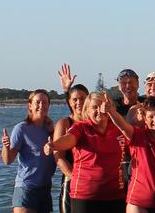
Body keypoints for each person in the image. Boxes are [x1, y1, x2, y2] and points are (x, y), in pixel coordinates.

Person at [45, 91, 127, 213]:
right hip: (85, 195)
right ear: (87, 111)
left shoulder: (118, 129)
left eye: (103, 106)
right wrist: (54, 145)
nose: (99, 110)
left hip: (115, 195)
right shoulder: (81, 127)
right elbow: (69, 139)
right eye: (94, 107)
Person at [104, 95, 155, 213]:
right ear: (145, 119)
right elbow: (122, 125)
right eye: (151, 117)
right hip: (139, 203)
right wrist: (111, 112)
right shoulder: (137, 136)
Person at [1, 89, 56, 213]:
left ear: (49, 105)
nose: (41, 105)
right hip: (26, 189)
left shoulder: (50, 129)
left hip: (46, 190)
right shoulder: (21, 129)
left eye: (45, 102)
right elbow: (8, 160)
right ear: (30, 105)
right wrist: (6, 146)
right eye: (38, 102)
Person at [54, 63, 90, 213]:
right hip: (72, 180)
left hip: (92, 181)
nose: (79, 103)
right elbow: (59, 157)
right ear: (69, 101)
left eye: (82, 99)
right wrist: (75, 177)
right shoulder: (64, 123)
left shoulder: (94, 123)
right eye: (74, 99)